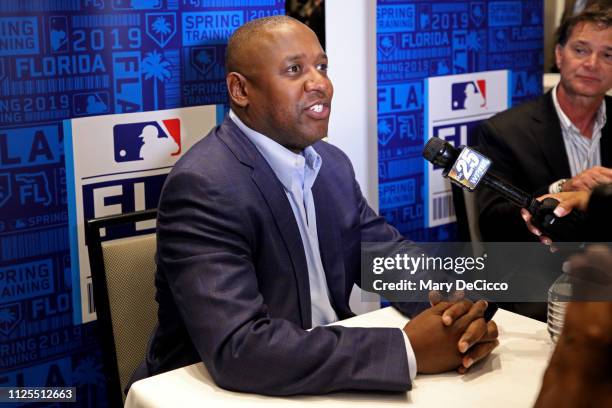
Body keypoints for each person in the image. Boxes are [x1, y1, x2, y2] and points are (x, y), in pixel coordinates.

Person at [130, 16, 498, 395]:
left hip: (322, 372)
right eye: (294, 70)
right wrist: (406, 350)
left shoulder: (330, 164)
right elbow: (239, 348)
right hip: (217, 391)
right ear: (240, 90)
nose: (320, 83)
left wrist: (457, 306)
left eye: (322, 67)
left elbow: (384, 259)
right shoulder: (204, 184)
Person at [476, 4, 612, 243]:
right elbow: (492, 223)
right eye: (580, 50)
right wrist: (561, 189)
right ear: (559, 55)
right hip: (542, 267)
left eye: (608, 55)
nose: (592, 64)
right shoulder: (504, 132)